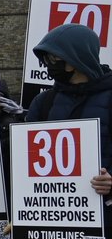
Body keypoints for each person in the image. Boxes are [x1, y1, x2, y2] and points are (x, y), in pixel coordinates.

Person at [27, 22, 112, 202]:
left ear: (74, 59)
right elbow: (26, 158)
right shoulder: (43, 102)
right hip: (55, 210)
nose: (47, 65)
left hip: (105, 213)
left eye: (52, 58)